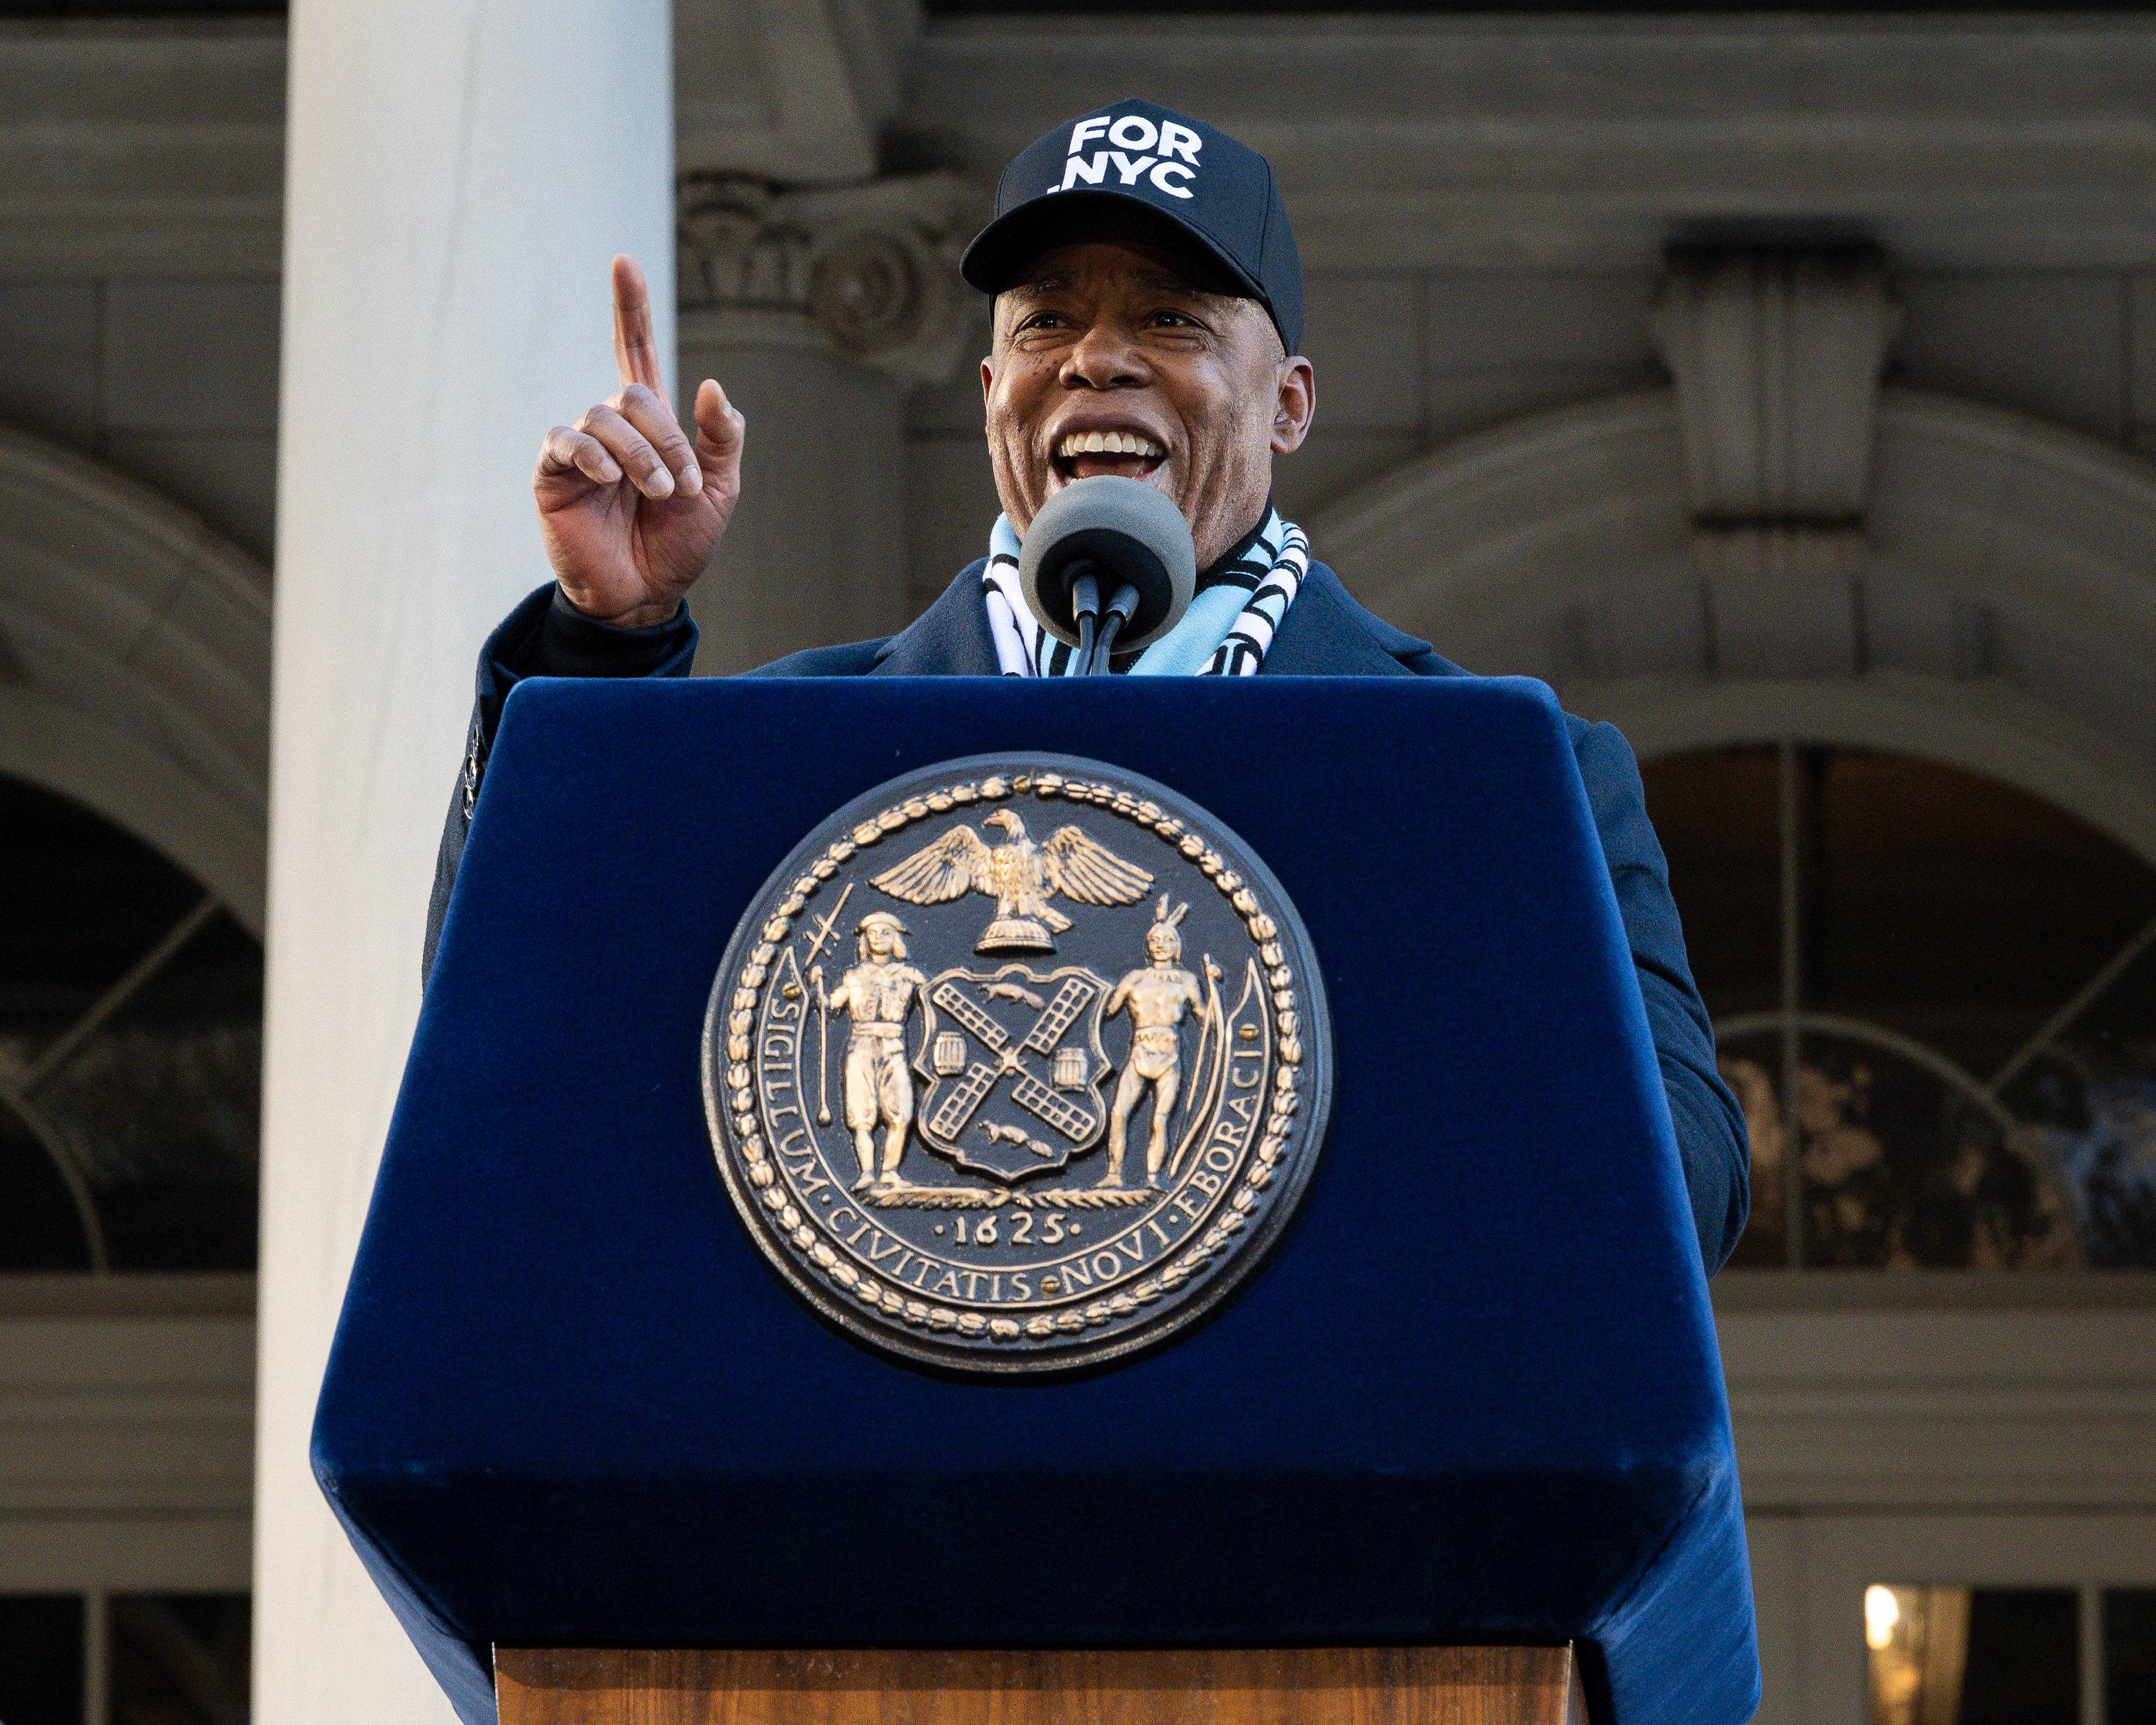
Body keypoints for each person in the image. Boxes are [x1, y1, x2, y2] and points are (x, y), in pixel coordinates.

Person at [425, 98, 1751, 1272]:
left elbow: (1680, 1192)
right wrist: (609, 634)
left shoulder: (1504, 775)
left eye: (1171, 315)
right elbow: (511, 1066)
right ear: (996, 386)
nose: (1096, 356)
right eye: (1047, 317)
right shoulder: (800, 759)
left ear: (1287, 402)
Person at [1101, 899, 1213, 1190]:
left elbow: (1205, 1017)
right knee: (1118, 1114)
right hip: (1140, 1051)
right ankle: (1114, 1174)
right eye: (1153, 940)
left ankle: (1154, 1178)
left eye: (1167, 939)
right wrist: (1105, 993)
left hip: (1169, 1054)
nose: (1159, 944)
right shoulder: (1134, 979)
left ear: (1177, 945)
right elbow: (1108, 1012)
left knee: (1160, 1119)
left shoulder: (1188, 980)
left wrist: (1215, 988)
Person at [819, 911, 928, 1192]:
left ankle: (890, 1171)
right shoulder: (853, 976)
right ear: (865, 941)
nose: (878, 938)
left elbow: (936, 999)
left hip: (895, 1047)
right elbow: (832, 1005)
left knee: (901, 1113)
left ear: (896, 939)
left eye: (885, 933)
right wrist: (817, 993)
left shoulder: (911, 975)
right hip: (861, 1046)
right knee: (861, 1114)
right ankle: (867, 1172)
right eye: (872, 934)